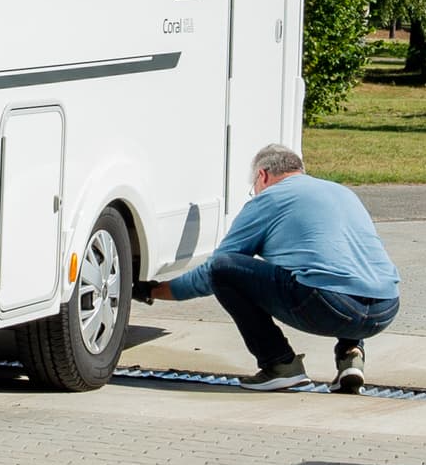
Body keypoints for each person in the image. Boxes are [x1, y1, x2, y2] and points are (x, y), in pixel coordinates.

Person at [138, 144, 400, 392]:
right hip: (385, 307)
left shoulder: (269, 200)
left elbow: (215, 271)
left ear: (262, 175)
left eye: (254, 186)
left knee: (222, 268)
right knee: (339, 267)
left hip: (331, 307)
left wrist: (155, 290)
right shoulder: (341, 192)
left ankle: (279, 364)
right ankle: (351, 357)